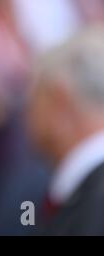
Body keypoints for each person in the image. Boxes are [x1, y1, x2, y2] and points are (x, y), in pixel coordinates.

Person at [27, 24, 104, 235]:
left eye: (34, 96)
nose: (28, 114)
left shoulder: (93, 201)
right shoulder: (78, 194)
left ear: (58, 101)